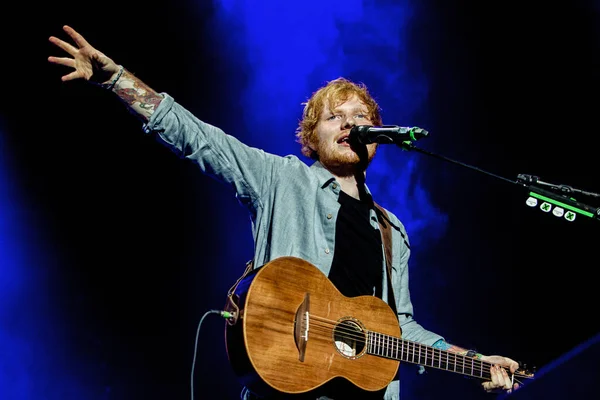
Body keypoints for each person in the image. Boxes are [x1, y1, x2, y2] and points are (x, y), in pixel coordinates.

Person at [48, 25, 523, 400]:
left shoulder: (391, 232)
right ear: (311, 137)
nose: (351, 124)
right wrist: (115, 78)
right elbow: (198, 138)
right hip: (285, 385)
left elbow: (400, 328)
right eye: (336, 116)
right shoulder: (281, 179)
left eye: (362, 118)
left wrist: (478, 361)